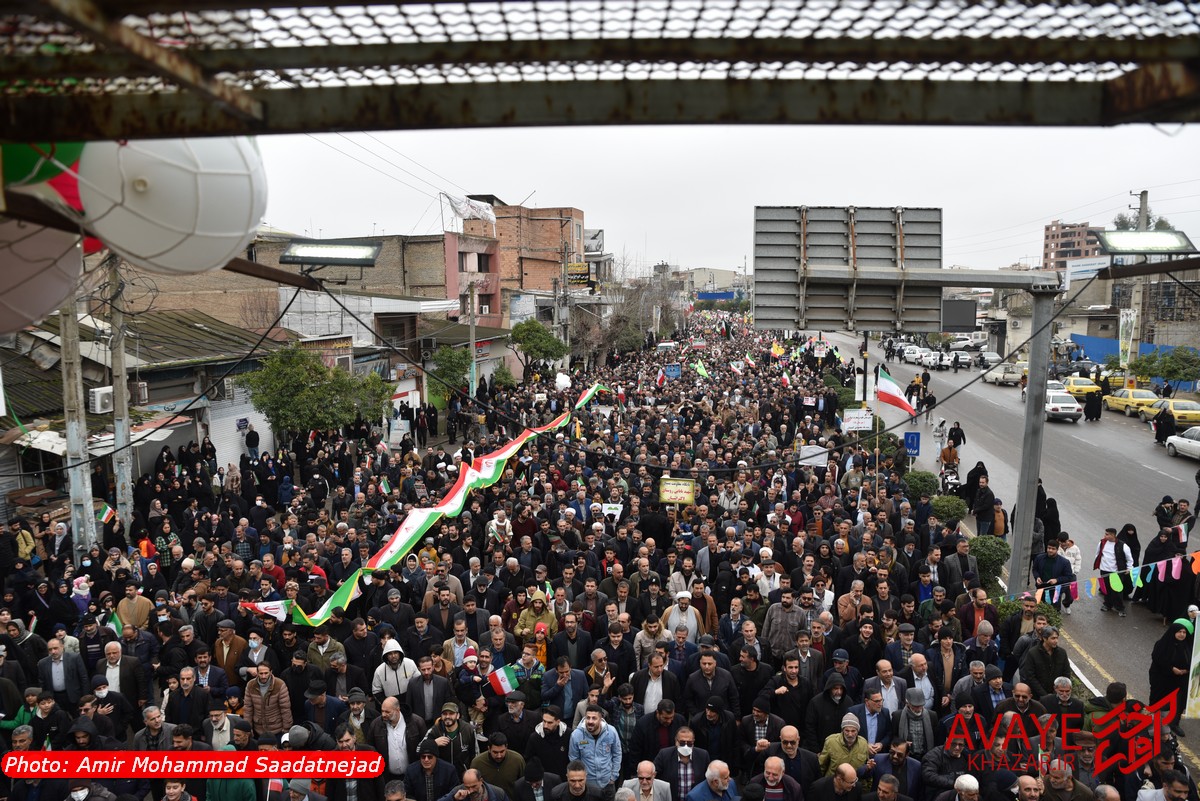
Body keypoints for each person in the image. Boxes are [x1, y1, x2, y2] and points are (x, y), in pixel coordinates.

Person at [1149, 620, 1192, 737]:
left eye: (1184, 632)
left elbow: (1192, 661)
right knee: (1160, 702)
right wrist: (1172, 668)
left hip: (1180, 680)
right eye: (1179, 632)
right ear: (1173, 632)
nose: (1182, 634)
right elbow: (1157, 659)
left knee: (1178, 703)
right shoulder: (1162, 644)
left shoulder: (1188, 645)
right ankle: (1155, 724)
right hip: (1162, 679)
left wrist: (1187, 670)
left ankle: (1174, 724)